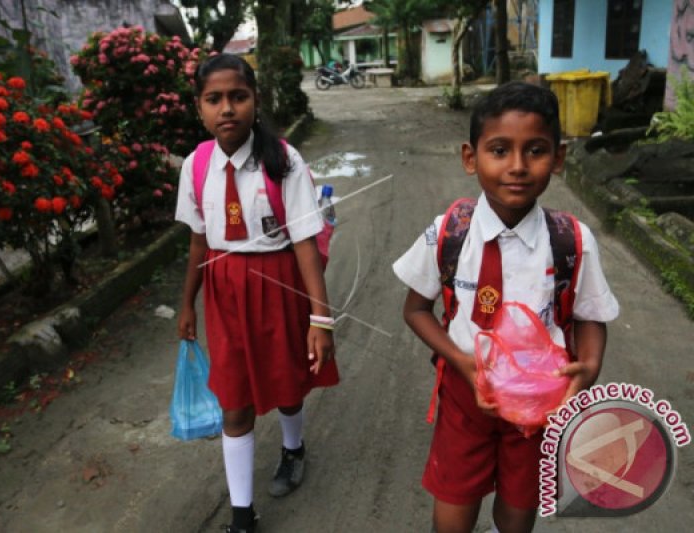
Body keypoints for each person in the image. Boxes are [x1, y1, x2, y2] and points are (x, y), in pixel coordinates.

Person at [392, 82, 619, 533]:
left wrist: (588, 367)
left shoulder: (570, 240)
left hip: (540, 405)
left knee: (516, 516)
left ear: (558, 157)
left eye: (535, 150)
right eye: (499, 150)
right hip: (464, 396)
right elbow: (416, 309)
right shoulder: (448, 232)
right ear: (470, 157)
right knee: (452, 515)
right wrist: (461, 361)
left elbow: (591, 313)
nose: (517, 166)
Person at [175, 53, 339, 533]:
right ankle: (242, 516)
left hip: (278, 284)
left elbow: (306, 242)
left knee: (286, 381)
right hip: (224, 290)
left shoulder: (283, 160)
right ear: (200, 108)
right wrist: (188, 302)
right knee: (234, 397)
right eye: (214, 99)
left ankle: (293, 449)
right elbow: (198, 240)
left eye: (238, 97)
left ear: (255, 101)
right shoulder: (197, 165)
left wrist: (320, 319)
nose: (227, 108)